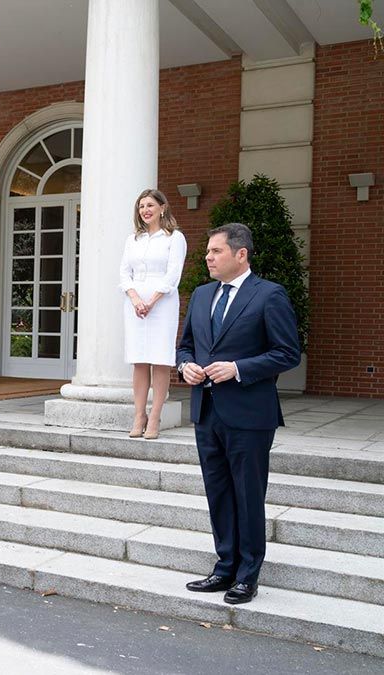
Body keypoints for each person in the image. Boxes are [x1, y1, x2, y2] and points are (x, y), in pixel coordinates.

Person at [176, 223, 300, 605]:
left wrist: (238, 368)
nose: (208, 258)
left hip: (249, 414)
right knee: (218, 493)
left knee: (248, 495)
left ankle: (248, 575)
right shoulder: (200, 295)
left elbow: (287, 353)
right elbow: (185, 347)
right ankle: (224, 566)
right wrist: (186, 368)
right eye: (208, 252)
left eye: (216, 252)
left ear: (240, 254)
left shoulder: (269, 295)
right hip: (207, 411)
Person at [119, 189, 187, 440]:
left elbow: (173, 274)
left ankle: (155, 415)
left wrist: (152, 300)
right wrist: (136, 299)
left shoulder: (174, 238)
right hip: (135, 304)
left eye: (149, 205)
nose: (145, 210)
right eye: (140, 206)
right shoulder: (132, 240)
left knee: (160, 359)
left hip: (163, 303)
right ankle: (139, 414)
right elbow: (124, 273)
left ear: (162, 207)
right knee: (139, 359)